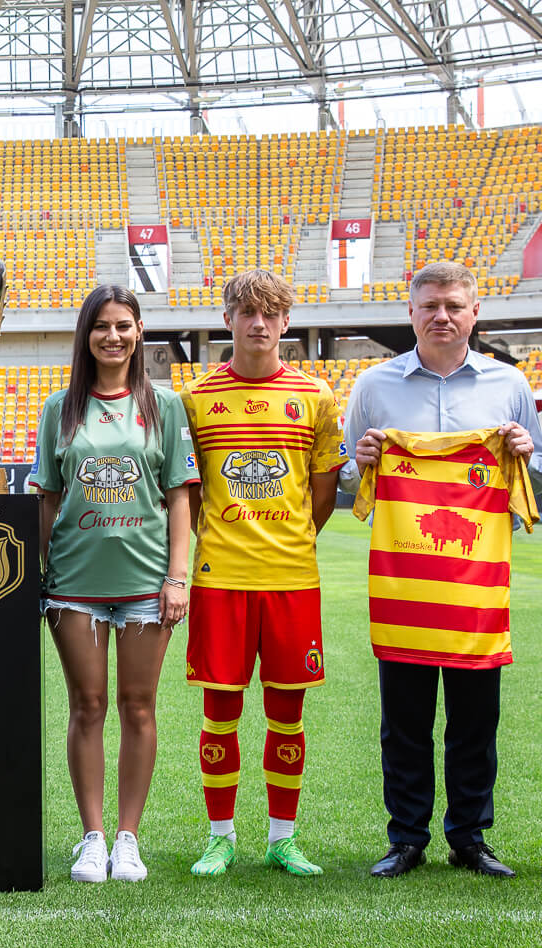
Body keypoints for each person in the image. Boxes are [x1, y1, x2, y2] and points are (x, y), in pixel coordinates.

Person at [341, 261, 542, 880]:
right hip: (404, 583)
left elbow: (540, 476)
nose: (442, 316)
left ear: (474, 313)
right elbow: (349, 479)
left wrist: (525, 454)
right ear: (410, 312)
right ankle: (406, 837)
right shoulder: (373, 385)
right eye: (430, 305)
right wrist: (362, 461)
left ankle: (470, 837)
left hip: (476, 586)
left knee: (475, 722)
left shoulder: (509, 384)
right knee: (403, 722)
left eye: (454, 306)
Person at [29, 285, 197, 883]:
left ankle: (128, 838)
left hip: (148, 583)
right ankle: (92, 837)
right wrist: (40, 574)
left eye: (123, 325)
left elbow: (180, 498)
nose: (113, 336)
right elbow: (47, 499)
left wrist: (178, 578)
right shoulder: (59, 408)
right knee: (87, 706)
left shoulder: (165, 406)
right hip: (73, 583)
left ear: (139, 331)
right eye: (101, 325)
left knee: (139, 706)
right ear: (86, 334)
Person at [179, 268, 343, 879]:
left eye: (270, 313)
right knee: (219, 714)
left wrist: (289, 539)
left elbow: (322, 493)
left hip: (291, 579)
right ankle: (220, 837)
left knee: (287, 715)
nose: (259, 323)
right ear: (228, 319)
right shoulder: (195, 399)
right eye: (247, 312)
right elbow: (189, 494)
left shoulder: (316, 397)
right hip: (220, 580)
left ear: (285, 321)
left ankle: (282, 838)